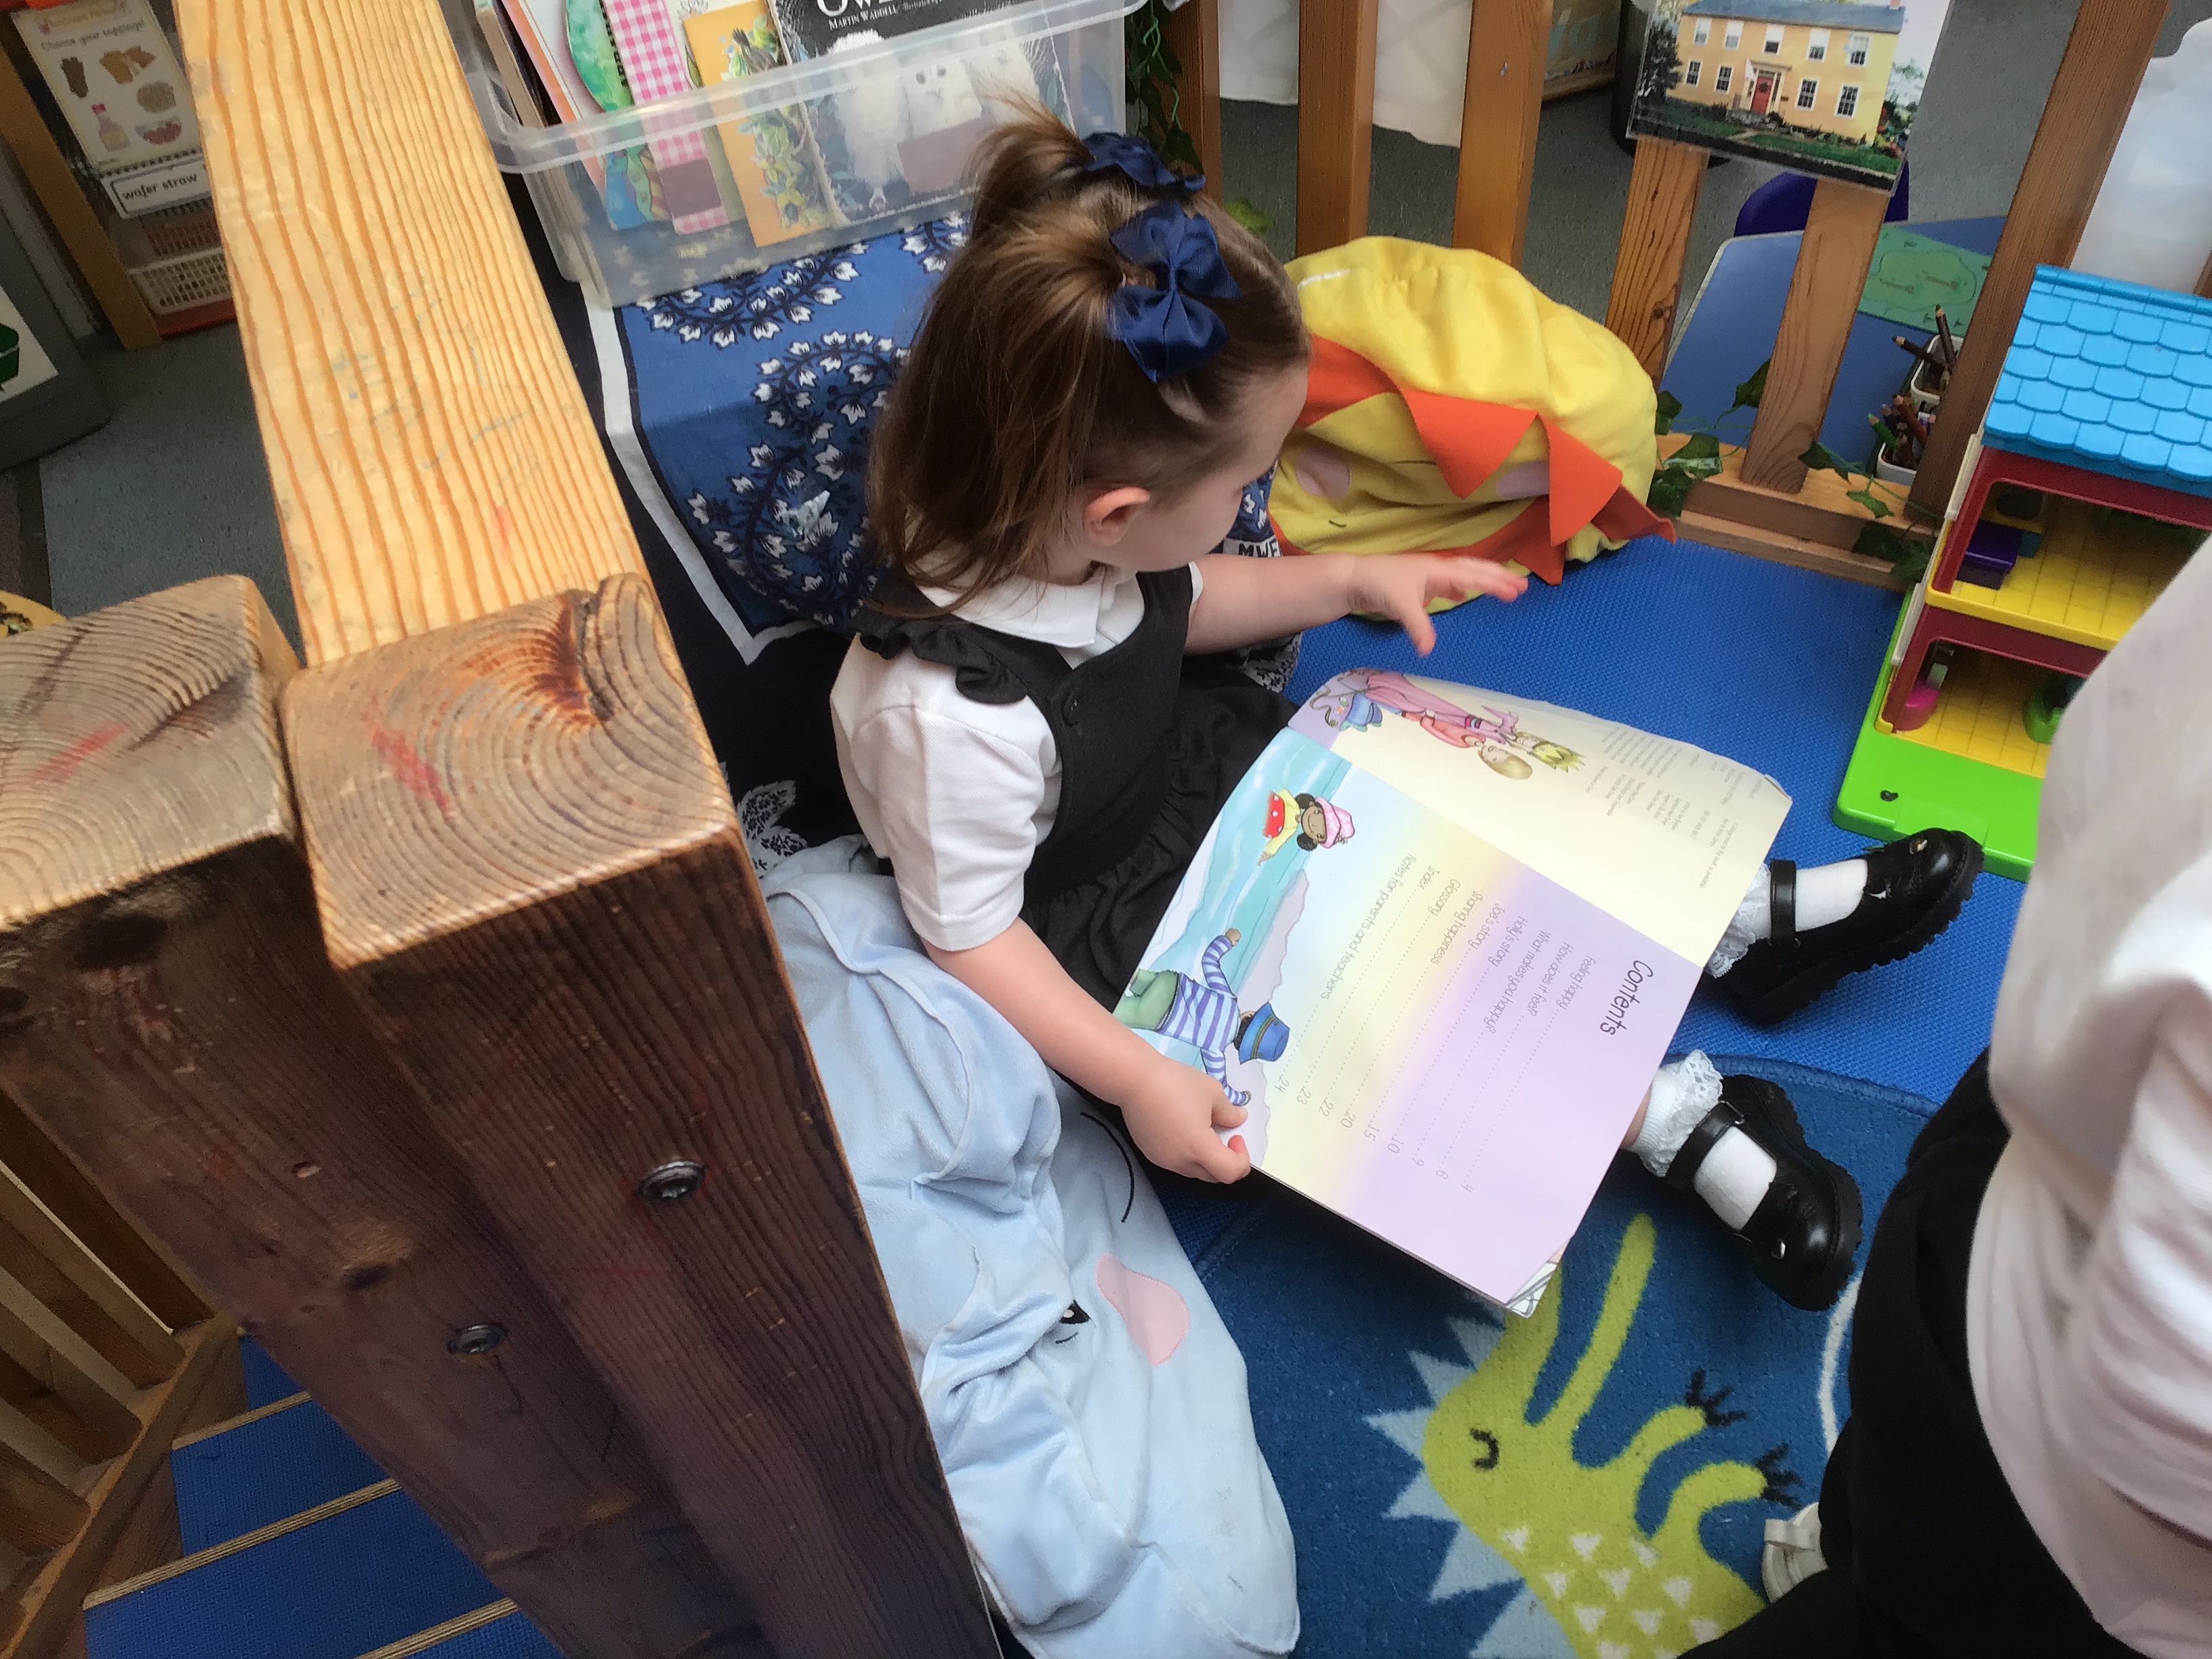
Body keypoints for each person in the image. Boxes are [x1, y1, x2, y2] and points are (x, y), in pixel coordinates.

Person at [831, 111, 1983, 1311]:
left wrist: (1347, 579)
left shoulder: (1062, 534)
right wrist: (1133, 1078)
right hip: (1130, 923)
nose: (1259, 499)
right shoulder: (944, 720)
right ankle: (1674, 1117)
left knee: (1461, 804)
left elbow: (1177, 602)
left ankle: (1730, 921)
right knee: (1397, 1015)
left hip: (1212, 769)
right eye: (1245, 480)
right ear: (1116, 513)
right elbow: (972, 937)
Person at [1694, 539, 2212, 1657]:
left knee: (1925, 1565)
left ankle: (1720, 988)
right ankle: (1858, 1549)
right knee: (1908, 1478)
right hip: (2049, 1167)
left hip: (2096, 1466)